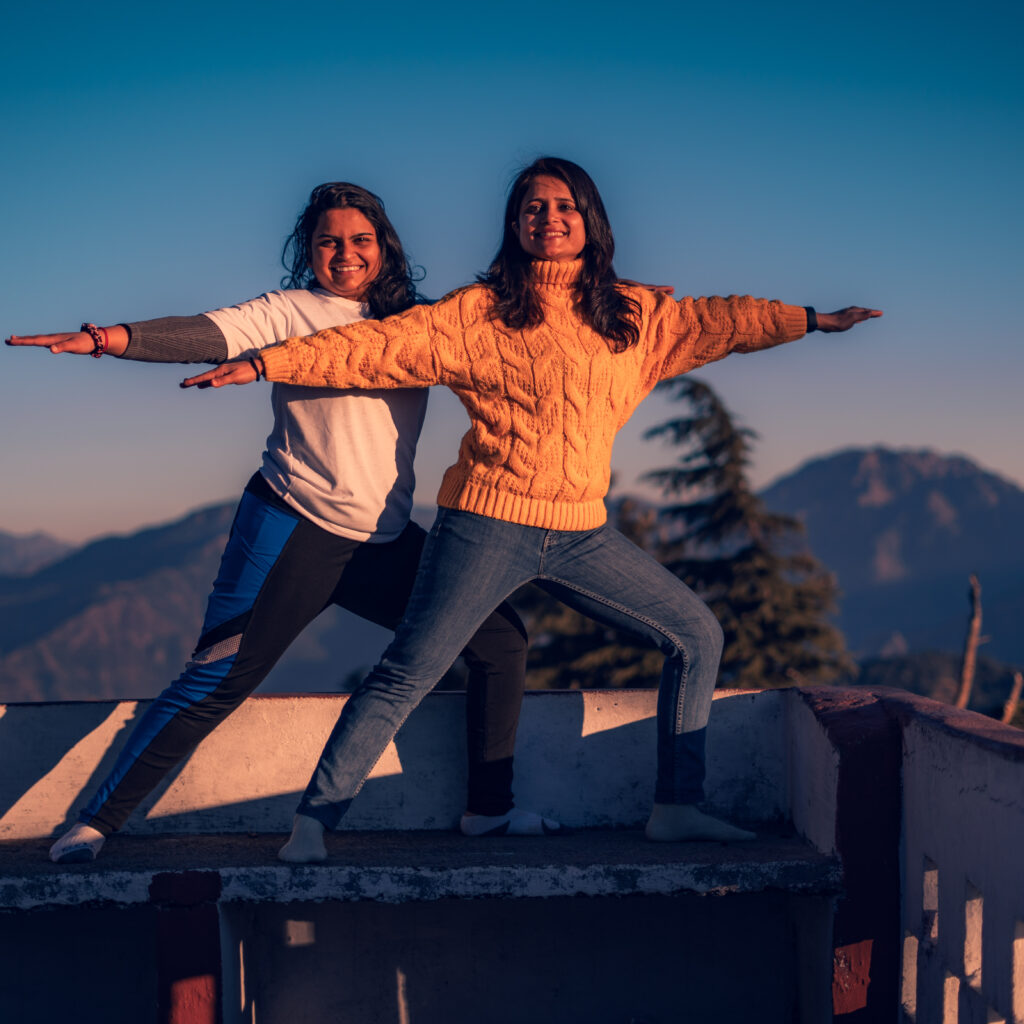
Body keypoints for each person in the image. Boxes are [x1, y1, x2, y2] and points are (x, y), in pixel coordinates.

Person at [183, 157, 883, 864]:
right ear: (515, 225)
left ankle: (676, 808)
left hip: (582, 533)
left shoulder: (635, 316)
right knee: (410, 669)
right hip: (486, 524)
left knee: (696, 635)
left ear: (591, 222)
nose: (549, 218)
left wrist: (814, 321)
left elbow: (722, 320)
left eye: (564, 206)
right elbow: (375, 346)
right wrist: (266, 362)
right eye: (533, 208)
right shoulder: (477, 312)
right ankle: (313, 825)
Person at [7, 182, 561, 865]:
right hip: (291, 527)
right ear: (310, 251)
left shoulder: (422, 322)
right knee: (219, 677)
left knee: (499, 640)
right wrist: (105, 340)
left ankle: (489, 811)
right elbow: (209, 333)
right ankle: (96, 823)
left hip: (384, 540)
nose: (346, 254)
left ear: (385, 246)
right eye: (329, 242)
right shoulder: (293, 310)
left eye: (361, 240)